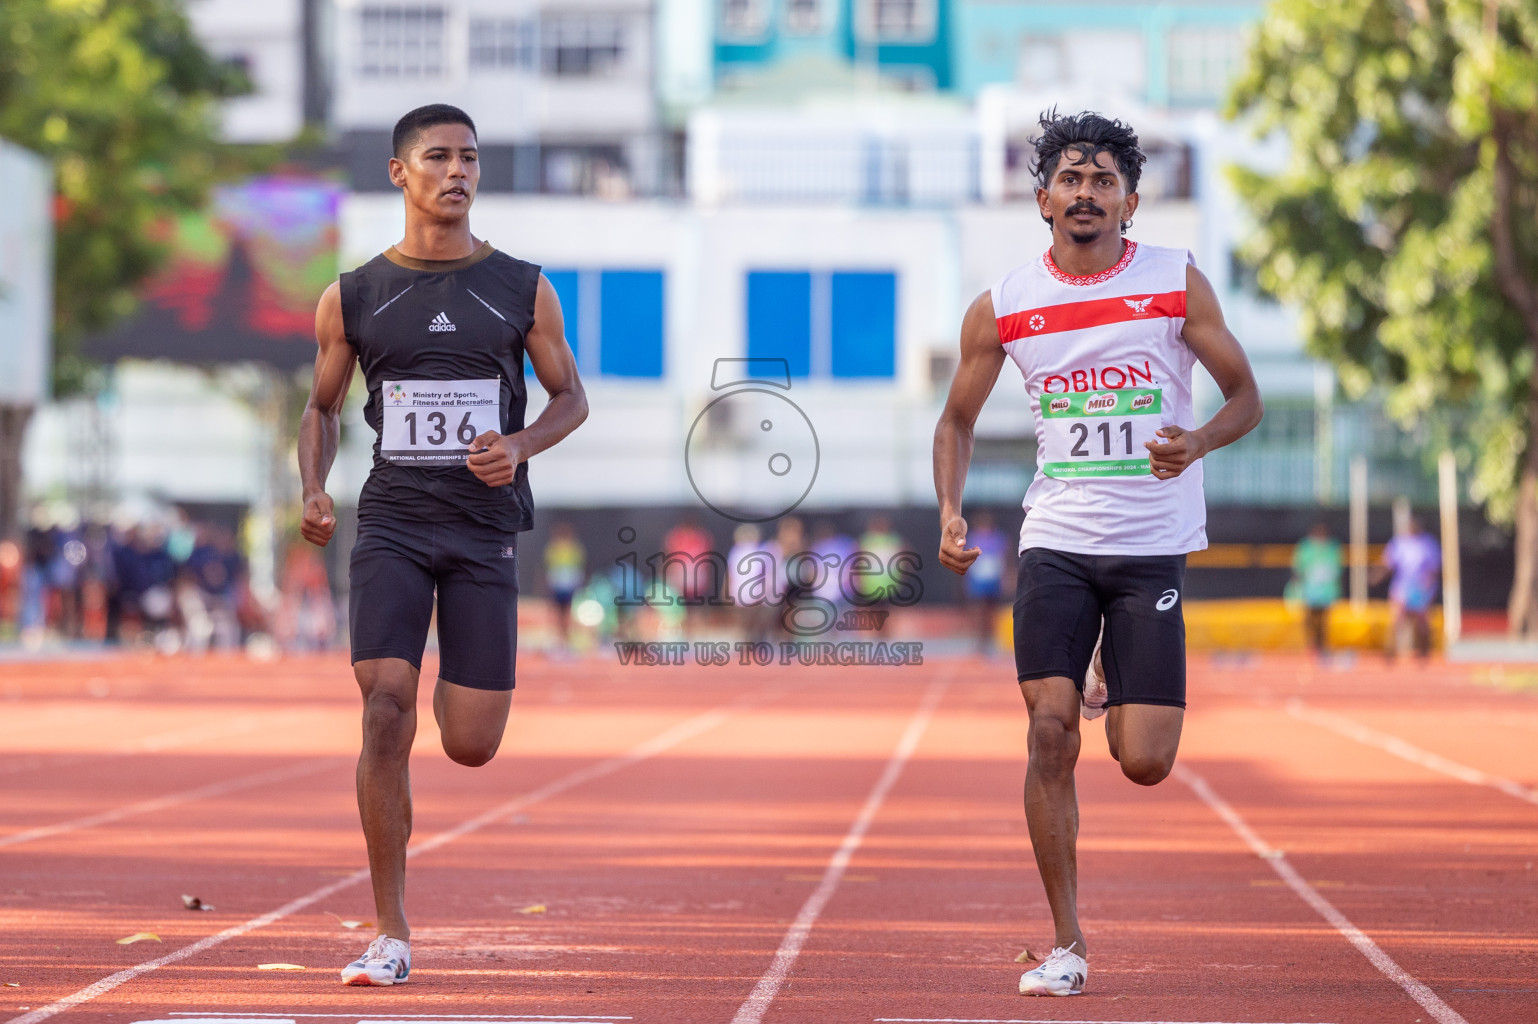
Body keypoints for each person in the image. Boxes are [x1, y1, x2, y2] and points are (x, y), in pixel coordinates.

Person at [932, 111, 1263, 997]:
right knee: (1047, 731)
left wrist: (1194, 442)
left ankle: (1113, 670)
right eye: (1070, 180)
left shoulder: (1173, 281)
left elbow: (1246, 398)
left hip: (1149, 545)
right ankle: (1068, 943)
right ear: (1042, 200)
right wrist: (951, 512)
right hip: (1058, 539)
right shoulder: (1003, 304)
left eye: (1103, 180)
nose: (1086, 193)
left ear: (1131, 200)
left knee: (1145, 761)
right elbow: (956, 420)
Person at [297, 103, 587, 987]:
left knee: (469, 742)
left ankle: (456, 680)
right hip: (390, 519)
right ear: (400, 173)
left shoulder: (520, 286)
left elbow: (569, 397)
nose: (457, 170)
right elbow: (321, 408)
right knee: (385, 708)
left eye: (469, 157)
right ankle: (391, 932)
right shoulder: (351, 295)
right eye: (438, 156)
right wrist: (312, 486)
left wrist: (520, 445)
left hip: (481, 528)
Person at [1375, 514, 1440, 660]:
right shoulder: (1399, 543)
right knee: (1396, 619)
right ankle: (1390, 652)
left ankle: (1424, 652)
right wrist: (1376, 576)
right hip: (1402, 587)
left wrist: (1428, 588)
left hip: (1421, 588)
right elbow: (1388, 564)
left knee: (1422, 623)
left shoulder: (1428, 543)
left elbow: (1434, 568)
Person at [1290, 522, 1342, 654]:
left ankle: (1321, 645)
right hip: (1310, 592)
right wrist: (1296, 587)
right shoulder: (1306, 548)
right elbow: (1298, 569)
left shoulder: (1332, 548)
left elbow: (1336, 571)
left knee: (1323, 622)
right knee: (1310, 620)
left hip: (1326, 592)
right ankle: (1311, 645)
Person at [543, 521, 586, 651]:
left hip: (568, 585)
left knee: (566, 613)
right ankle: (560, 641)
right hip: (558, 584)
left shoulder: (574, 548)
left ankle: (565, 640)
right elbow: (548, 567)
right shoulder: (553, 548)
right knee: (558, 614)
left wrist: (578, 583)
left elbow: (579, 566)